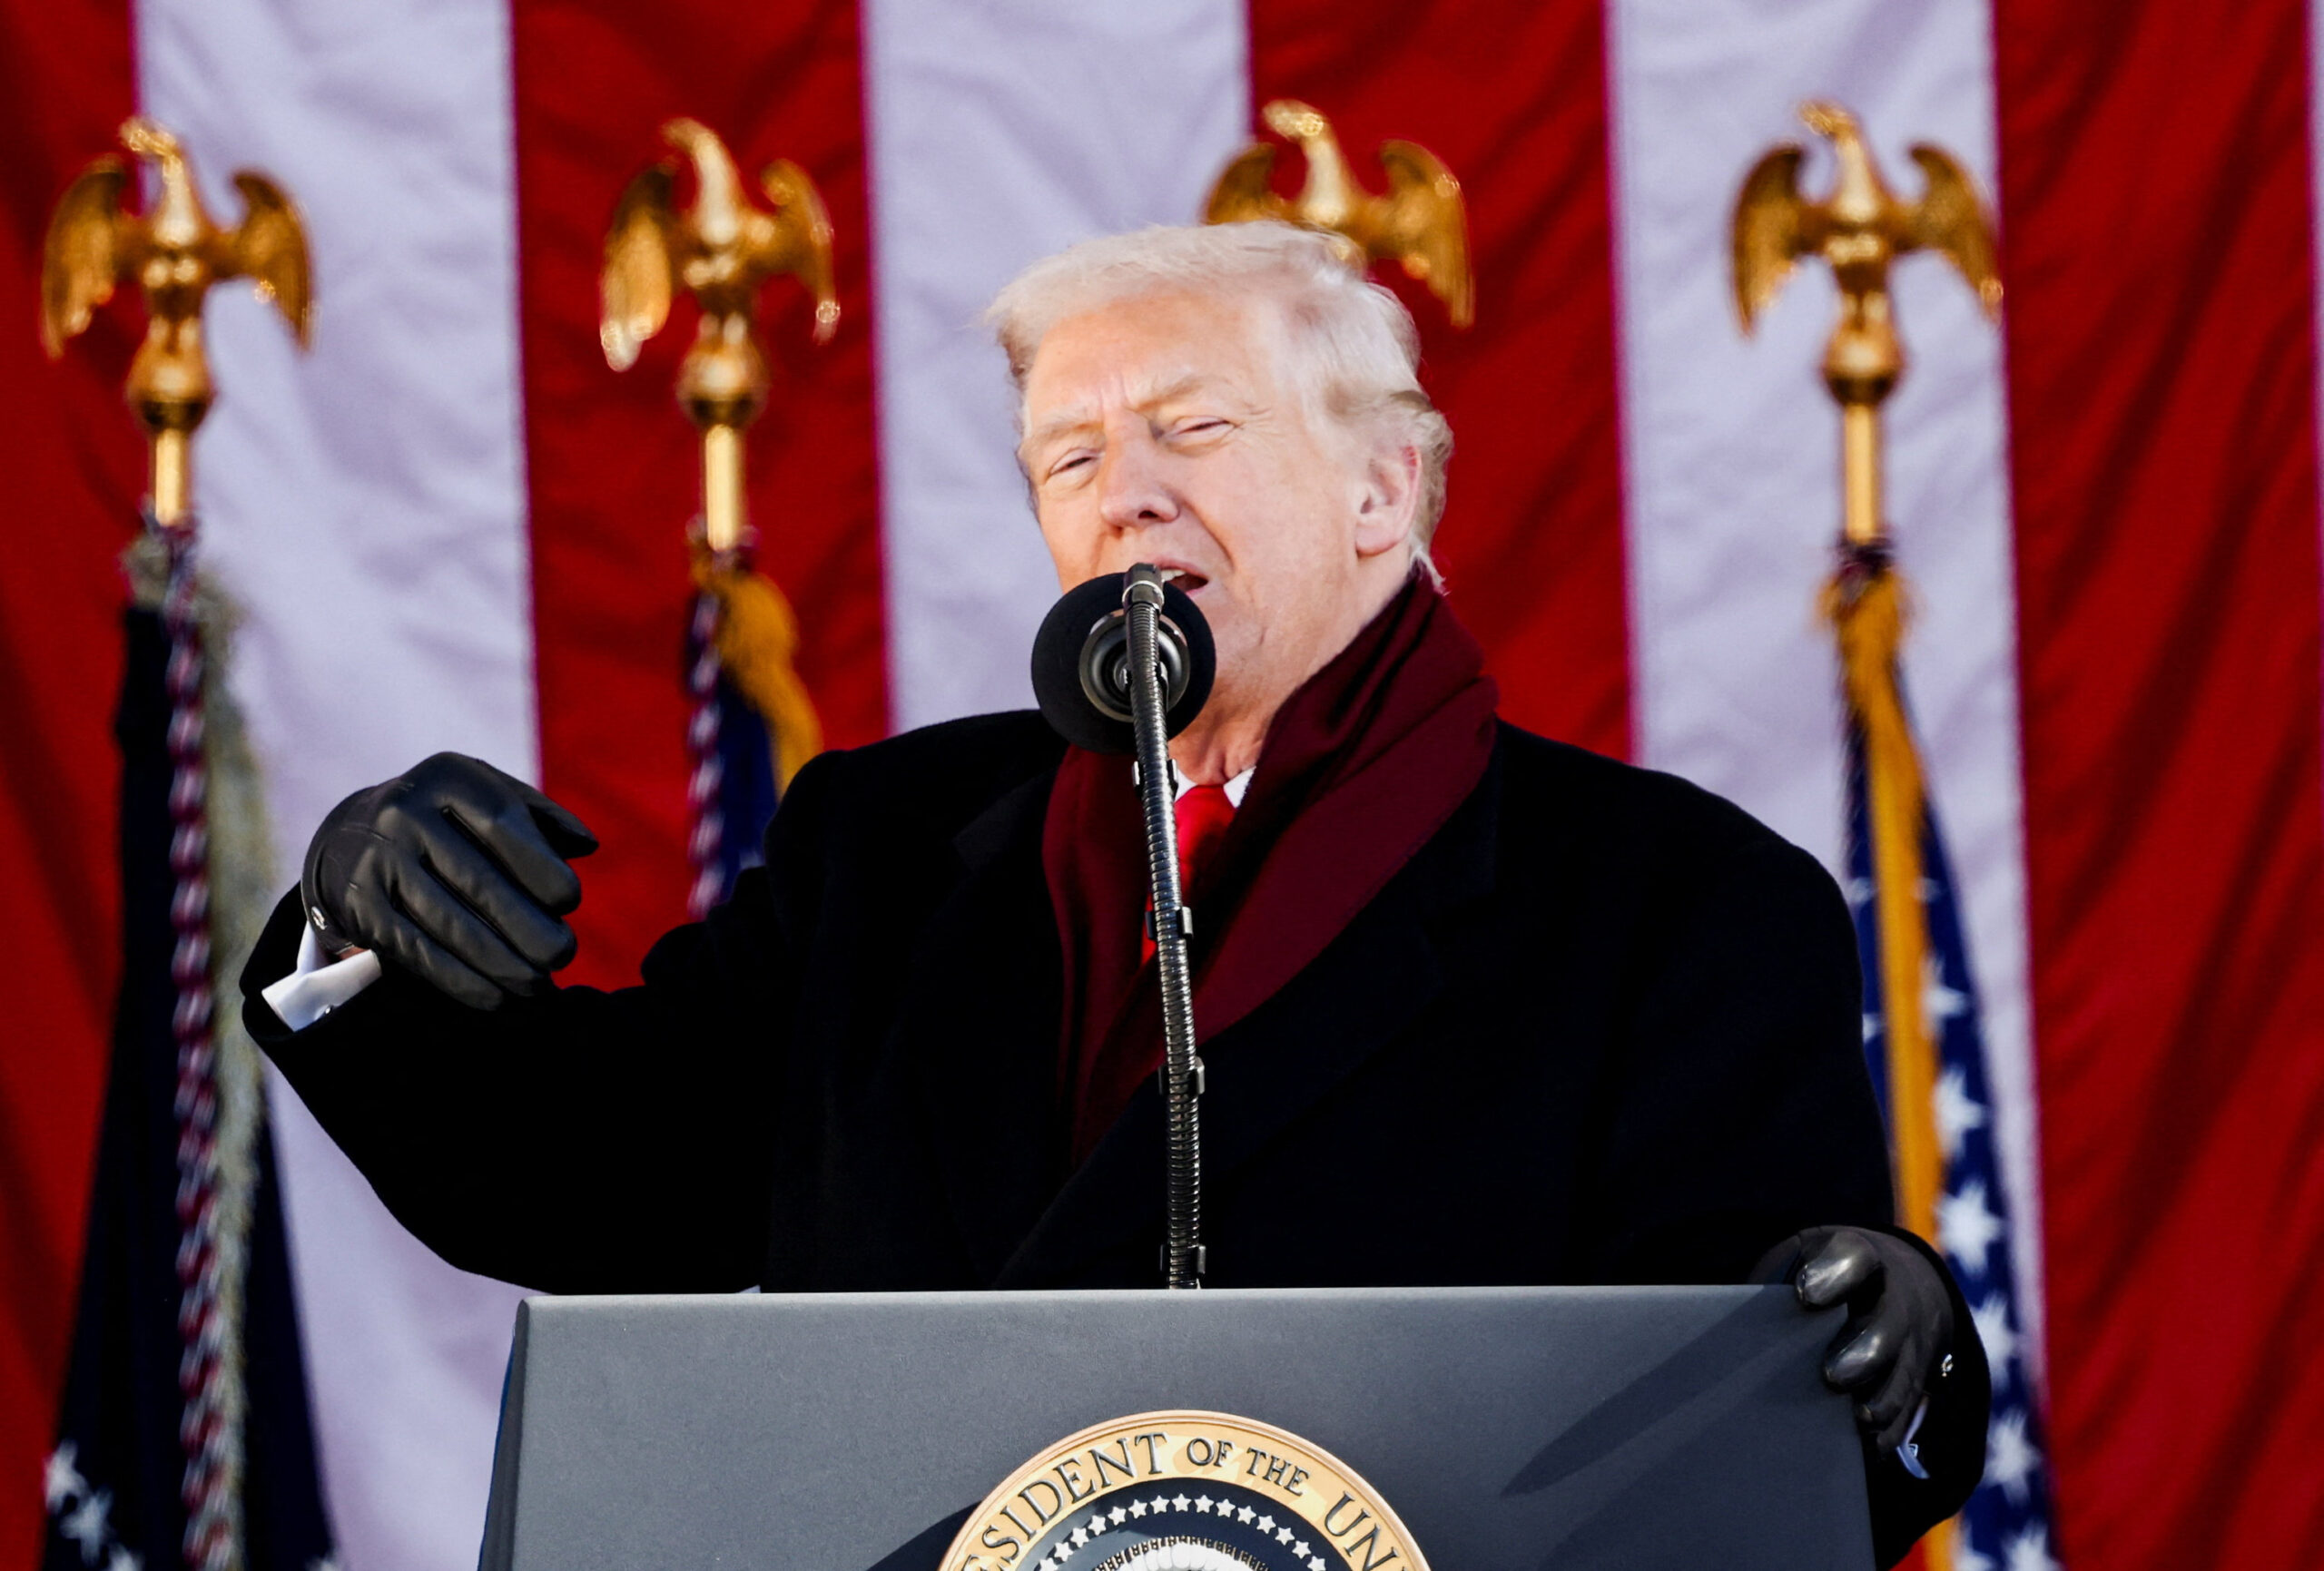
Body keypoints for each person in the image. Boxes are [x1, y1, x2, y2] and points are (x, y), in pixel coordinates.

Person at [243, 221, 1986, 1564]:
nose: (1121, 489)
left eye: (1189, 428)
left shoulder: (1676, 905)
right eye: (1067, 460)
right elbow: (603, 1189)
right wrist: (353, 935)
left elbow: (1759, 1424)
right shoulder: (888, 849)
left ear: (1386, 490)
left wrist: (1869, 1345)